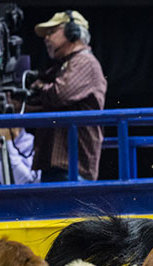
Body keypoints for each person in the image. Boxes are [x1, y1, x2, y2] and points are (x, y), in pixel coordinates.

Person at [25, 10, 107, 182]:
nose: (46, 38)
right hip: (58, 164)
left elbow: (58, 95)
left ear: (73, 32)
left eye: (52, 32)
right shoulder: (63, 66)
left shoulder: (85, 62)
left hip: (72, 167)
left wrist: (39, 86)